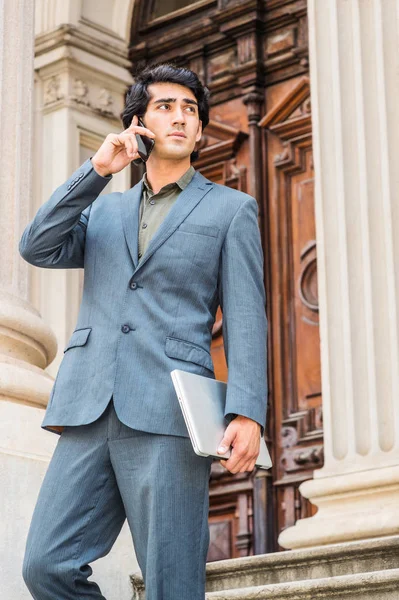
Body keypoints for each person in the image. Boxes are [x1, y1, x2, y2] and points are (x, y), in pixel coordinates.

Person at [20, 62, 268, 600]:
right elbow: (35, 246)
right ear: (138, 124)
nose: (180, 118)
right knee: (45, 566)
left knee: (170, 582)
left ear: (200, 130)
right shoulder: (103, 210)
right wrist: (97, 169)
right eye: (165, 106)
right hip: (88, 406)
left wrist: (247, 411)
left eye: (191, 110)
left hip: (170, 410)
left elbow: (248, 316)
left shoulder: (231, 210)